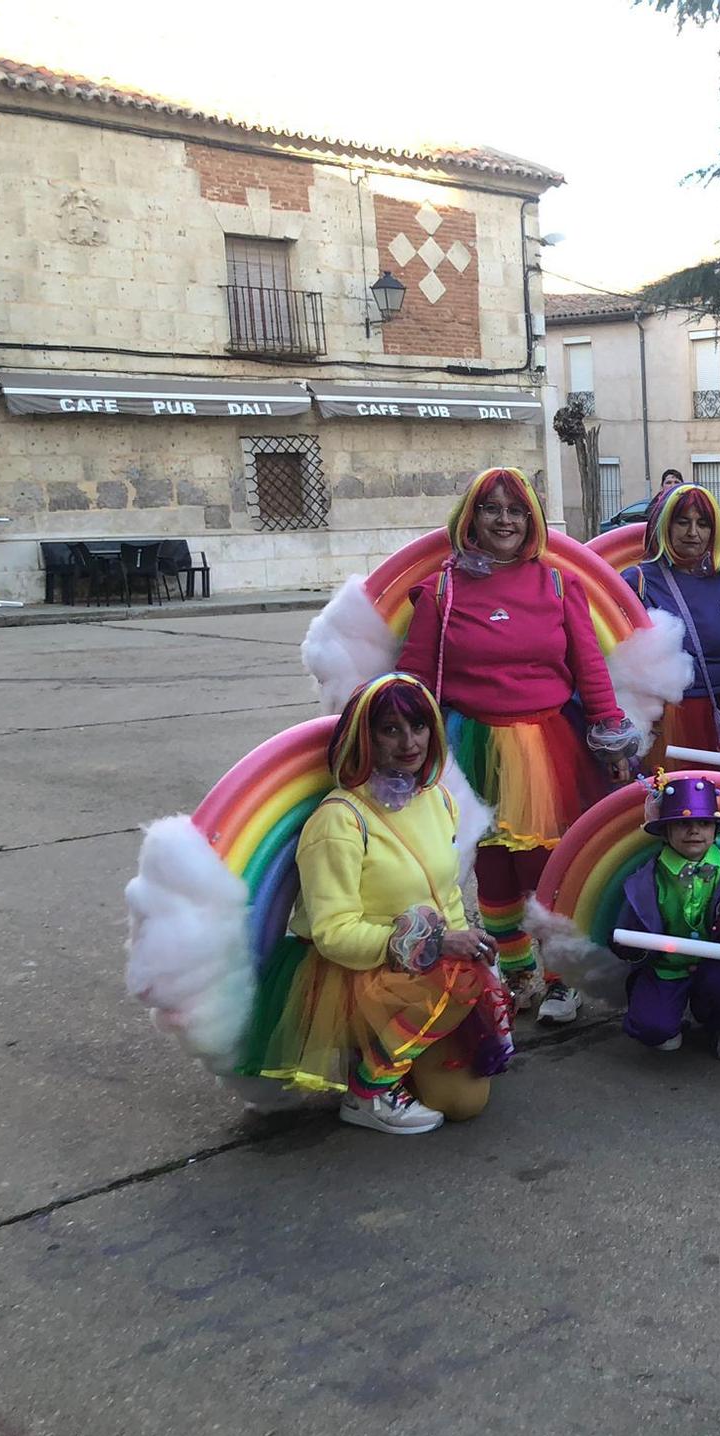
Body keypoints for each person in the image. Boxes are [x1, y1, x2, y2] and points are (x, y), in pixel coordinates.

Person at [396, 467, 637, 1027]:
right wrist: (396, 746)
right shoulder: (442, 588)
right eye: (492, 509)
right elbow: (414, 677)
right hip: (469, 744)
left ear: (530, 520)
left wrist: (610, 732)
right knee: (491, 868)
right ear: (471, 519)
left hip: (546, 745)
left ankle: (560, 979)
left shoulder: (558, 583)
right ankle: (518, 974)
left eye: (516, 510)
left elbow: (589, 669)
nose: (504, 520)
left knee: (548, 866)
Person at [254, 672, 512, 1135]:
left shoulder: (435, 799)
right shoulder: (339, 821)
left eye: (418, 726)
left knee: (465, 1102)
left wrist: (469, 946)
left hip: (422, 975)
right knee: (456, 977)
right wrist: (436, 949)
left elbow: (447, 894)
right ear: (364, 737)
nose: (409, 742)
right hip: (358, 974)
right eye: (390, 729)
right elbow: (333, 933)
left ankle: (402, 1049)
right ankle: (367, 1090)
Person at [611, 774, 720, 1061]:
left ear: (716, 830)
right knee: (652, 1029)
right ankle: (668, 1020)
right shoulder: (647, 877)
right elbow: (635, 923)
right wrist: (628, 947)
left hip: (715, 965)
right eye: (682, 823)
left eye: (704, 823)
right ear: (666, 832)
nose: (694, 831)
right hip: (666, 967)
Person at [621, 483, 720, 754]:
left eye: (703, 524)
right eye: (683, 522)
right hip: (661, 726)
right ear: (665, 526)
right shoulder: (636, 582)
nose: (693, 533)